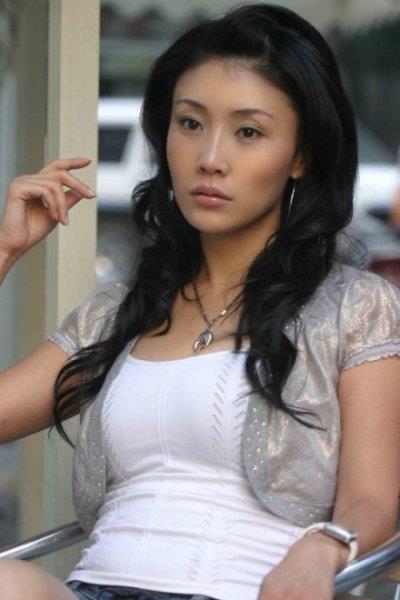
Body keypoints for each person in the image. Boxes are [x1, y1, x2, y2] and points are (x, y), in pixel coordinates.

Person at [1, 3, 400, 600]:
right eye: (190, 123)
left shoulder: (355, 307)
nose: (210, 158)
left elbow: (373, 499)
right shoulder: (116, 317)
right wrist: (3, 251)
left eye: (248, 132)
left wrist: (324, 547)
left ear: (301, 156)